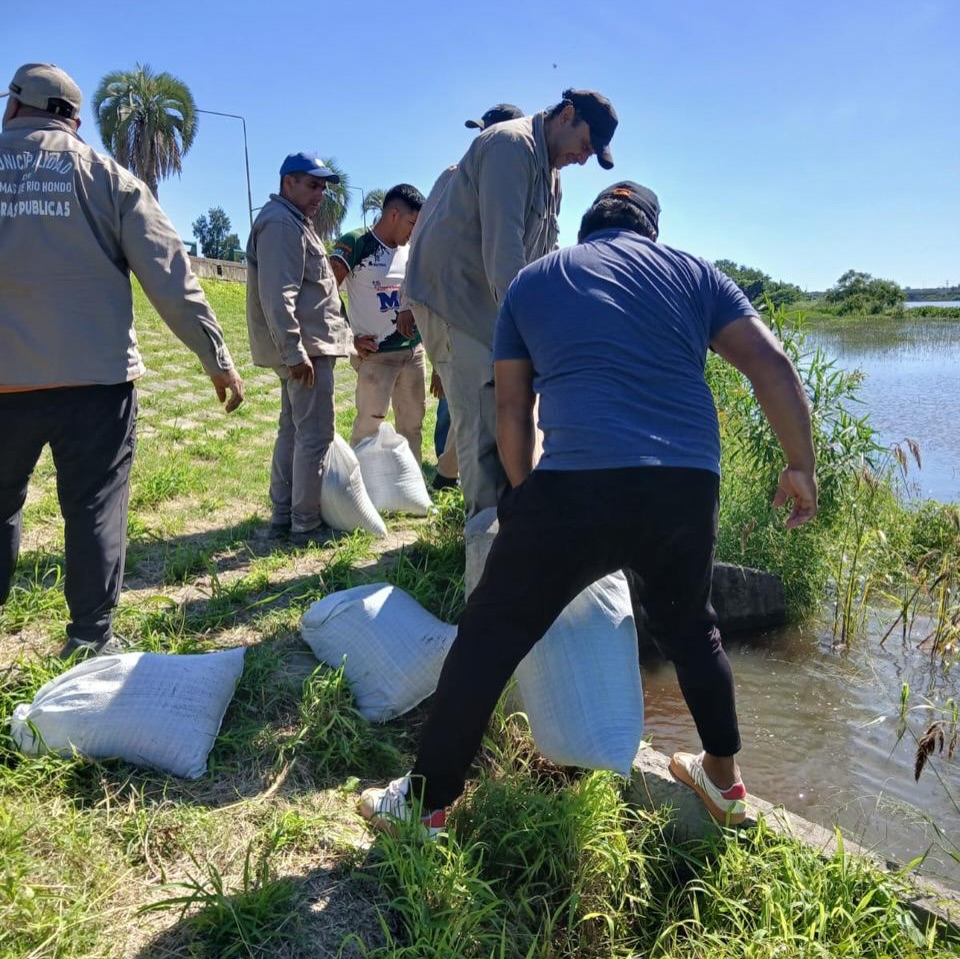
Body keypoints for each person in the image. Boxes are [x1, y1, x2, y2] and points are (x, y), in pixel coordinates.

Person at [359, 182, 818, 834]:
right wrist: (800, 465)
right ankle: (724, 782)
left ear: (586, 229)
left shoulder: (535, 281)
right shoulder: (696, 274)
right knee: (692, 630)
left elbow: (513, 408)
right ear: (649, 231)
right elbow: (769, 364)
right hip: (684, 485)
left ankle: (424, 802)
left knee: (490, 636)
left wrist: (522, 496)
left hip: (577, 485)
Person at [0, 63, 244, 660]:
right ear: (75, 120)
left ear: (12, 107)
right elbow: (171, 277)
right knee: (93, 506)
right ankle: (89, 639)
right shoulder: (110, 178)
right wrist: (216, 359)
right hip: (97, 384)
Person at [402, 89, 618, 515]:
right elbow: (505, 257)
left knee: (513, 410)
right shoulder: (510, 146)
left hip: (492, 302)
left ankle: (509, 524)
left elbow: (546, 251)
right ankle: (484, 546)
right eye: (586, 146)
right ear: (567, 115)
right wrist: (536, 339)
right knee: (482, 420)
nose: (584, 159)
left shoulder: (551, 170)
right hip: (455, 297)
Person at [397, 103, 525, 492]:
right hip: (456, 305)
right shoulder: (456, 177)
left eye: (487, 132)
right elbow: (422, 237)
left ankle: (450, 476)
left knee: (479, 403)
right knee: (463, 402)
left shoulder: (517, 182)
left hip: (489, 308)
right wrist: (407, 301)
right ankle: (455, 484)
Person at [246, 152, 351, 543]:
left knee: (293, 430)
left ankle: (283, 516)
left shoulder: (294, 223)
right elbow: (279, 295)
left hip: (306, 348)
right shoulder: (281, 225)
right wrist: (294, 353)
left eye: (322, 186)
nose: (320, 193)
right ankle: (304, 523)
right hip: (307, 350)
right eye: (312, 184)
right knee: (315, 435)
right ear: (287, 182)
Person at [330, 184, 426, 461]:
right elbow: (325, 291)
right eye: (412, 223)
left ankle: (410, 491)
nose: (414, 232)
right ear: (393, 215)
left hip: (413, 353)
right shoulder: (357, 243)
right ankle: (357, 490)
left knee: (412, 427)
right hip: (376, 356)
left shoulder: (412, 251)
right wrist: (349, 339)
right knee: (368, 428)